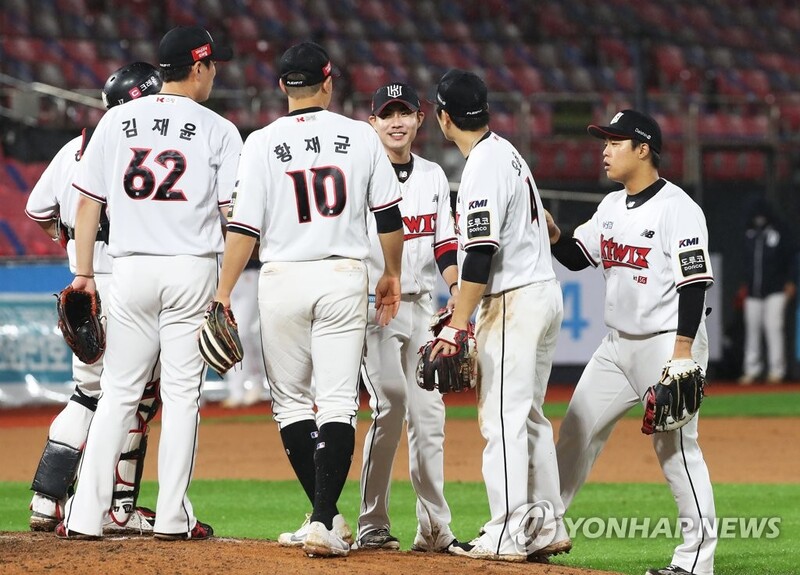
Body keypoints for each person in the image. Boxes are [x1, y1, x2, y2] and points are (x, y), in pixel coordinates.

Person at [212, 41, 404, 558]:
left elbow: (244, 227)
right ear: (329, 82)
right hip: (343, 274)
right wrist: (392, 272)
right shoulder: (360, 135)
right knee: (338, 402)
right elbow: (389, 216)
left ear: (282, 86)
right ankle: (326, 518)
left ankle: (323, 517)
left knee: (291, 405)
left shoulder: (260, 142)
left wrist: (224, 291)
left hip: (281, 277)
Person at [58, 25, 242, 540]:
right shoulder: (219, 129)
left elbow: (87, 203)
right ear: (198, 66)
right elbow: (233, 214)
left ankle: (84, 516)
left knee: (118, 393)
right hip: (190, 268)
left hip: (130, 269)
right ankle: (171, 516)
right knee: (182, 397)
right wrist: (226, 289)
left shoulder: (116, 120)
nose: (214, 73)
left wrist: (84, 273)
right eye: (212, 64)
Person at [547, 109, 717, 575]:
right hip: (617, 345)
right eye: (604, 141)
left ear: (643, 149)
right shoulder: (611, 206)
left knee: (675, 449)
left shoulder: (678, 207)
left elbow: (694, 284)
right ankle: (543, 527)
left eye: (615, 142)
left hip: (666, 344)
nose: (605, 150)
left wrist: (683, 353)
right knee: (576, 430)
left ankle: (696, 562)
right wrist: (554, 233)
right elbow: (578, 257)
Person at [429, 69, 568, 562]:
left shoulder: (483, 165)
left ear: (444, 118)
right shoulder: (507, 152)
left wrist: (457, 323)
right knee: (528, 416)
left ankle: (507, 530)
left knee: (502, 419)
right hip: (541, 292)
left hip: (514, 301)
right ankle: (545, 524)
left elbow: (481, 253)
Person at [24, 62, 163, 535]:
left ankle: (47, 499)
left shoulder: (75, 147)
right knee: (136, 400)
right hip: (125, 284)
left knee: (87, 395)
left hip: (83, 286)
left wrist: (72, 241)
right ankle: (117, 508)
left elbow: (38, 210)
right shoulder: (144, 147)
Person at [356, 82, 459, 552]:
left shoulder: (433, 175)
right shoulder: (360, 173)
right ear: (372, 121)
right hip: (376, 307)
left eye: (404, 113)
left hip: (421, 308)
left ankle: (435, 529)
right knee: (390, 405)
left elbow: (445, 243)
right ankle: (372, 522)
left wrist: (456, 288)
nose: (396, 122)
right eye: (387, 114)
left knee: (429, 417)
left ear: (420, 119)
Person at [739, 197, 796, 385]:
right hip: (753, 291)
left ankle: (776, 371)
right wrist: (745, 284)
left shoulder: (779, 232)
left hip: (776, 289)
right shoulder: (749, 234)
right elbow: (746, 263)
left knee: (773, 328)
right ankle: (751, 369)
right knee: (752, 331)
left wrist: (791, 281)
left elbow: (791, 258)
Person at [221, 260, 270, 408]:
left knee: (243, 333)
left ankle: (256, 382)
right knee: (228, 334)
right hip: (224, 274)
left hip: (249, 272)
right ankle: (236, 390)